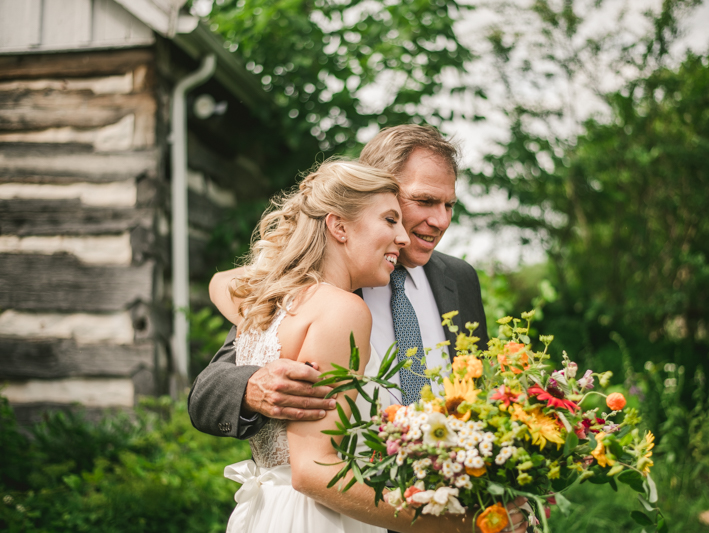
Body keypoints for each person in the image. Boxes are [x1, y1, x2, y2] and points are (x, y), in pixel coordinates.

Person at [212, 159, 527, 533]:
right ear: (339, 226)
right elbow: (314, 470)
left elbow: (221, 283)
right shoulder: (344, 309)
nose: (405, 237)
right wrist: (456, 524)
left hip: (268, 512)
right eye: (391, 220)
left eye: (449, 205)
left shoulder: (270, 300)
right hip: (325, 516)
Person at [189, 125, 488, 437]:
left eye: (449, 205)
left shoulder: (459, 279)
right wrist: (251, 388)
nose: (441, 221)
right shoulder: (311, 283)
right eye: (425, 200)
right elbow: (206, 393)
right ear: (379, 189)